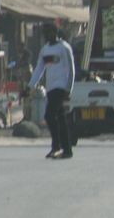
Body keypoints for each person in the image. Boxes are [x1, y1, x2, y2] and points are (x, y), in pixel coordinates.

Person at [27, 23, 77, 159]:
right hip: (50, 87)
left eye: (50, 32)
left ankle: (56, 146)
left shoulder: (64, 48)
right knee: (60, 118)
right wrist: (31, 85)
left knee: (49, 116)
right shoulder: (45, 50)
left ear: (55, 33)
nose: (47, 36)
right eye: (45, 33)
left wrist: (69, 89)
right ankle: (67, 150)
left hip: (60, 88)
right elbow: (39, 69)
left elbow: (71, 69)